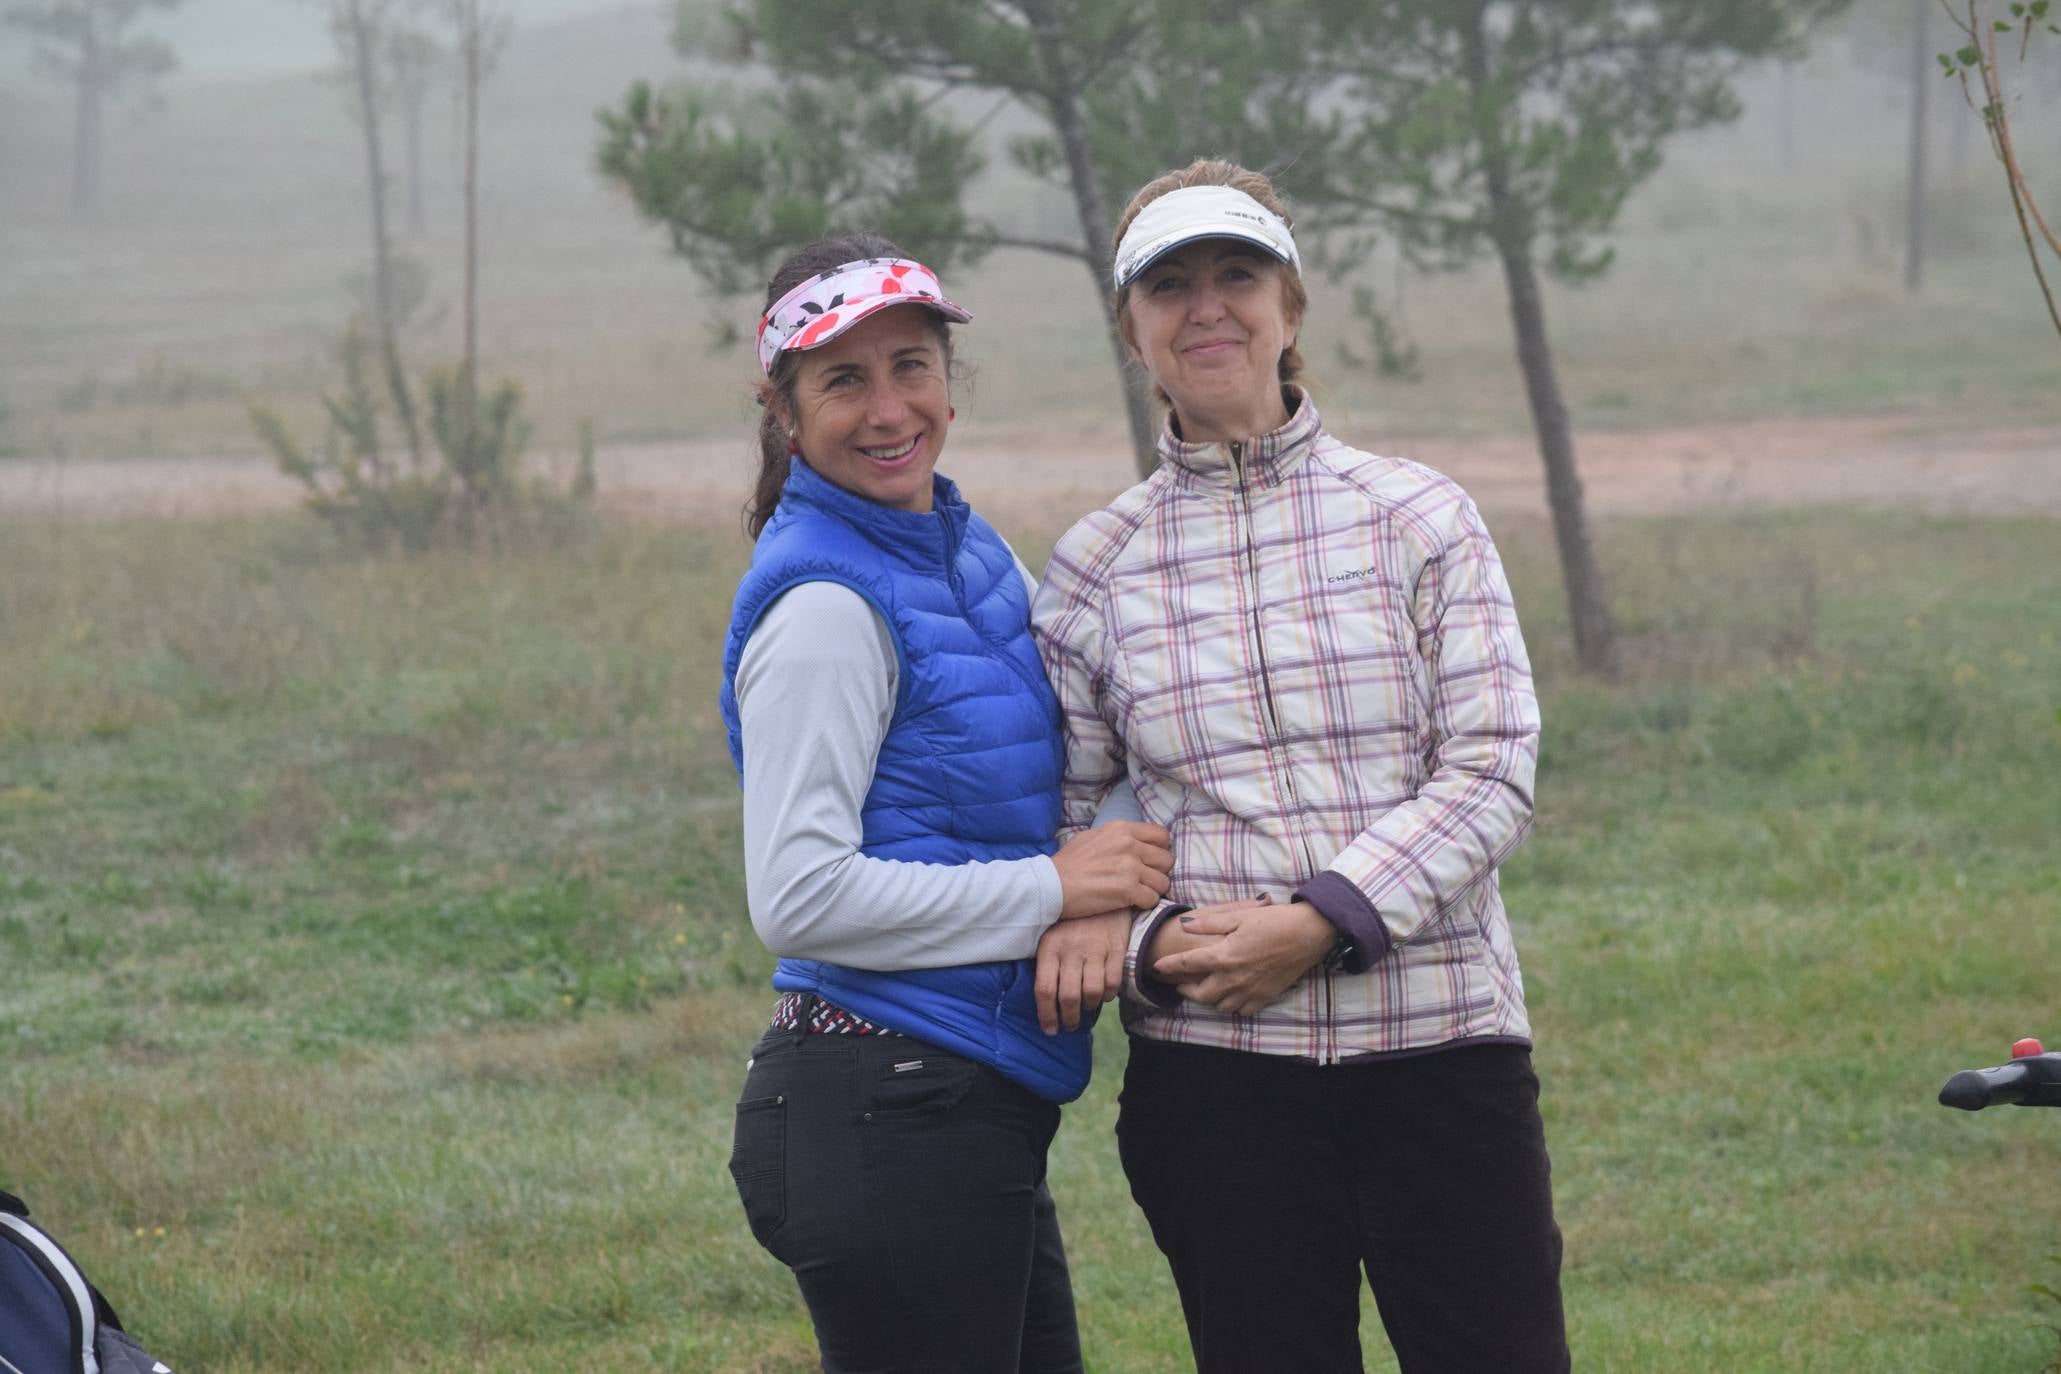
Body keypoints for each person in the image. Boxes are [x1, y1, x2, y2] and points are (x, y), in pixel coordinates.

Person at [1031, 161, 1572, 1373]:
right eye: (1169, 285)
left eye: (1237, 275)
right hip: (1220, 1089)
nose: (1205, 307)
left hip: (1444, 1055)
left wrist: (1320, 922)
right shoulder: (1094, 569)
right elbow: (1065, 836)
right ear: (1132, 328)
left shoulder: (1419, 518)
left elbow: (1491, 768)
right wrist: (1144, 949)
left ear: (1292, 306)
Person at [717, 233, 1174, 1374]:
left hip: (956, 1104)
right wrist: (1055, 890)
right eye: (843, 380)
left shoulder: (965, 554)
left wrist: (1087, 895)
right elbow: (800, 897)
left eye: (912, 366)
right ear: (783, 410)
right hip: (883, 1109)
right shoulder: (826, 608)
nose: (888, 409)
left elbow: (1094, 736)